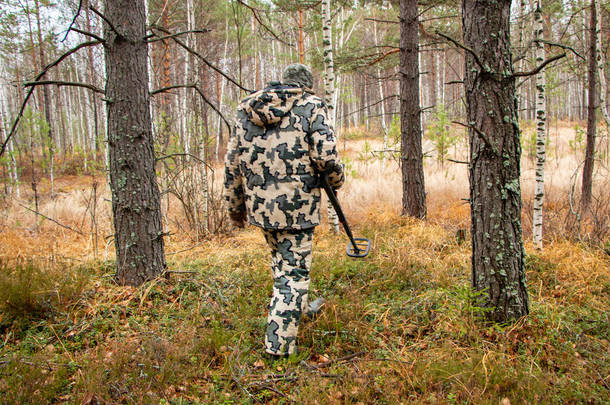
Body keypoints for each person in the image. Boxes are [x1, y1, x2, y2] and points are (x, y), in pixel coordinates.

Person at [223, 63, 344, 357]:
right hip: (297, 208)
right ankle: (278, 348)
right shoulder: (311, 105)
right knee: (293, 275)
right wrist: (335, 180)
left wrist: (235, 207)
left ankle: (298, 310)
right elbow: (326, 156)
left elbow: (232, 164)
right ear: (305, 86)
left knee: (282, 263)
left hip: (261, 208)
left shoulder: (247, 108)